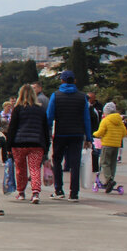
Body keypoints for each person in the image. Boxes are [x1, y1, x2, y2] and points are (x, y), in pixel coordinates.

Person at [46, 71, 92, 201]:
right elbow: (86, 119)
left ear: (62, 81)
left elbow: (49, 117)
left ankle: (59, 189)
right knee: (75, 163)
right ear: (74, 81)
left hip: (60, 133)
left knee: (57, 160)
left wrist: (46, 132)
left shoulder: (56, 96)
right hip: (77, 134)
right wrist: (88, 138)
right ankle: (74, 193)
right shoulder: (82, 97)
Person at [5, 84, 50, 203]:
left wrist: (8, 145)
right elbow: (45, 128)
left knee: (20, 169)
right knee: (35, 168)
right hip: (36, 143)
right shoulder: (40, 109)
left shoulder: (18, 109)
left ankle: (21, 192)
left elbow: (12, 128)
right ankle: (35, 192)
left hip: (19, 143)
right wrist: (46, 145)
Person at [93, 102, 127, 192]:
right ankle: (111, 178)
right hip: (116, 145)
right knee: (112, 163)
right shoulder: (120, 121)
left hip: (107, 144)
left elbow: (100, 132)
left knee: (104, 162)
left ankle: (109, 180)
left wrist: (93, 134)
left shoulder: (106, 120)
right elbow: (124, 133)